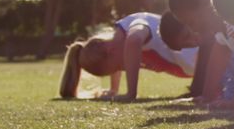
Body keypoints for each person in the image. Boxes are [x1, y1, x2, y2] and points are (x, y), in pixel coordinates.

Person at [58, 12, 198, 100]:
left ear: (109, 50)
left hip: (207, 55)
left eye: (118, 67)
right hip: (200, 68)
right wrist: (114, 90)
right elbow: (121, 55)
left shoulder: (132, 24)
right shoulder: (119, 43)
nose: (124, 69)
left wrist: (131, 93)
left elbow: (134, 40)